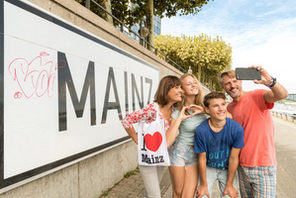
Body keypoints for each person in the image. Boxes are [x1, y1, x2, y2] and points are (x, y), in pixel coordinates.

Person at [220, 66, 288, 198]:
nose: (232, 86)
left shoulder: (258, 95)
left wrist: (270, 81)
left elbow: (282, 95)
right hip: (242, 167)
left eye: (234, 81)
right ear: (223, 87)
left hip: (263, 166)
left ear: (241, 82)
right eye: (227, 83)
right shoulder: (228, 108)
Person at [121, 75, 183, 198]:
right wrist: (137, 139)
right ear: (166, 89)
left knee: (152, 192)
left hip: (161, 156)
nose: (181, 90)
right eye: (177, 87)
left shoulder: (174, 110)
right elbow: (126, 120)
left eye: (181, 87)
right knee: (155, 195)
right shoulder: (152, 109)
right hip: (148, 158)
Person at [194, 92, 244, 198]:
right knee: (202, 195)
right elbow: (202, 159)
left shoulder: (236, 129)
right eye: (216, 106)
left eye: (223, 104)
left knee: (230, 195)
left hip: (227, 168)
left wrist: (229, 185)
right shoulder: (201, 130)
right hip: (209, 167)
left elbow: (234, 158)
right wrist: (203, 184)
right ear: (207, 110)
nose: (221, 109)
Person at [166, 73, 207, 198]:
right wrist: (180, 118)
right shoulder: (178, 110)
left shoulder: (206, 107)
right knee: (178, 193)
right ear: (182, 90)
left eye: (194, 82)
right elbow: (168, 142)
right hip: (180, 153)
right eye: (188, 84)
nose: (193, 85)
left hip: (197, 154)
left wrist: (204, 110)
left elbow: (227, 118)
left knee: (188, 195)